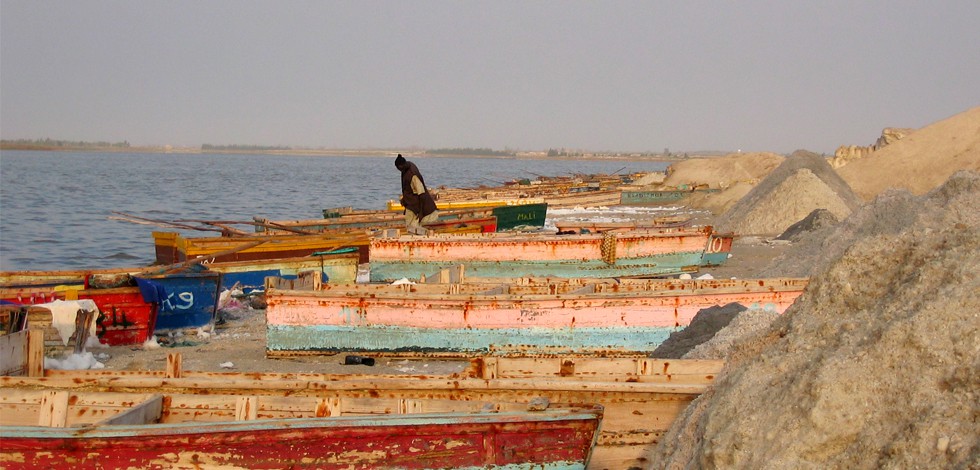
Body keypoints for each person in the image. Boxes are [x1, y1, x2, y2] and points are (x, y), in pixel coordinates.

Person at [394, 154, 438, 235]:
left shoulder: (412, 174)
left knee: (412, 227)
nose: (398, 170)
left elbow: (421, 193)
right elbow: (408, 188)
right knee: (411, 226)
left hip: (416, 204)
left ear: (401, 166)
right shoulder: (407, 167)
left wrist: (421, 212)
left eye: (398, 168)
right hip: (411, 202)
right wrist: (405, 199)